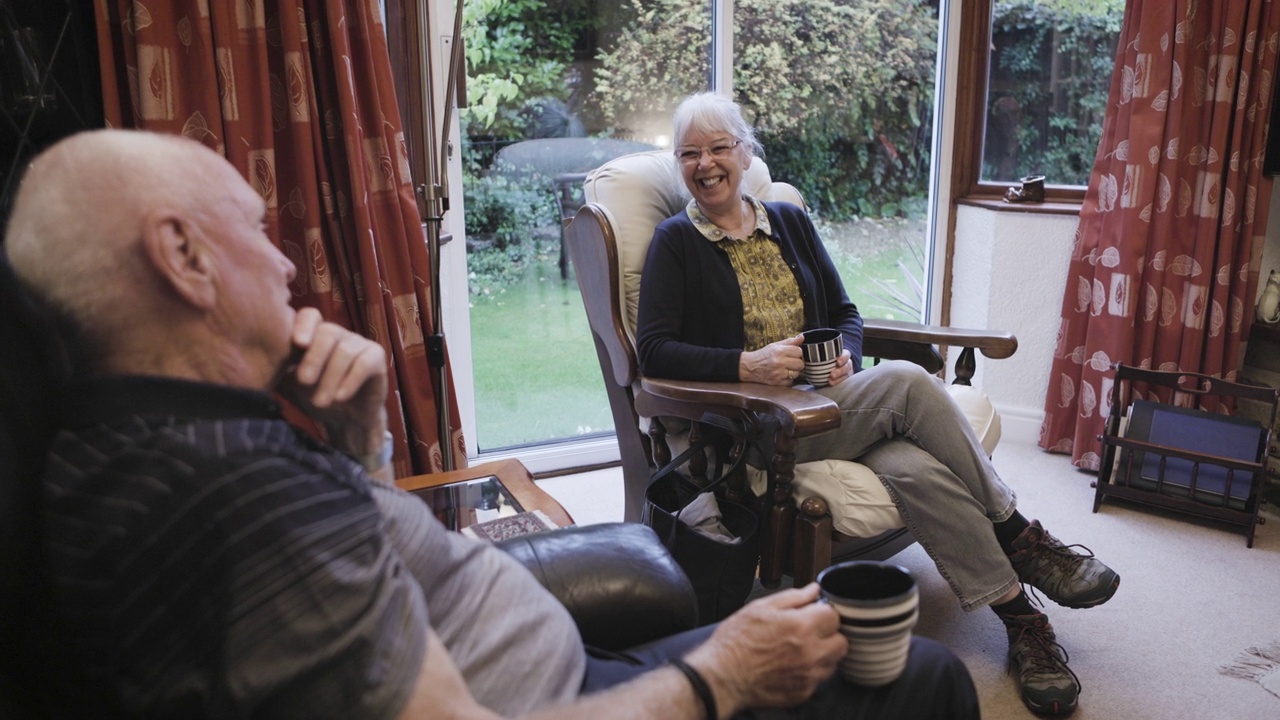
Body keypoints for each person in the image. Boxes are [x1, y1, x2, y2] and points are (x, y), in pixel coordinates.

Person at [3, 128, 980, 719]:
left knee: (906, 439)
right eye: (254, 229)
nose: (286, 264)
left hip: (561, 665)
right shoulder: (236, 493)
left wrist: (360, 446)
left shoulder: (144, 440)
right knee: (926, 679)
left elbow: (359, 582)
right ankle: (1014, 559)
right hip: (574, 696)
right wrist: (719, 675)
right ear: (182, 255)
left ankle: (1008, 559)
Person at [635, 93, 1122, 718]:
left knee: (916, 469)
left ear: (746, 151)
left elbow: (845, 314)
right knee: (910, 382)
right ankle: (1019, 533)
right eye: (689, 154)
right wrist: (744, 365)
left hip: (832, 401)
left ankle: (1022, 620)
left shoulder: (787, 221)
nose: (705, 164)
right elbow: (653, 352)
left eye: (719, 147)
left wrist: (845, 355)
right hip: (760, 426)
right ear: (680, 166)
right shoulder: (676, 241)